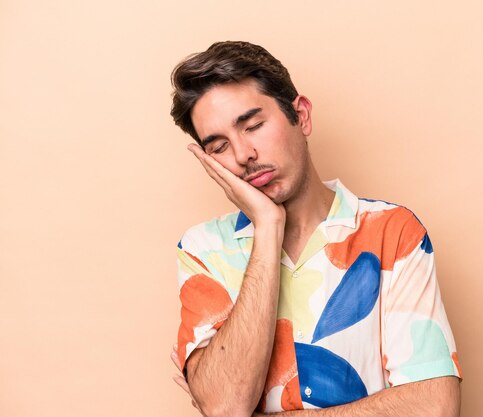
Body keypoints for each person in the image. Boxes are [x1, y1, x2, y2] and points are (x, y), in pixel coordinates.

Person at [169, 41, 462, 417]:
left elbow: (433, 408)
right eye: (219, 147)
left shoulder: (391, 232)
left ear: (301, 116)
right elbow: (226, 407)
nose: (243, 155)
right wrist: (268, 227)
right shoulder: (203, 249)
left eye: (254, 125)